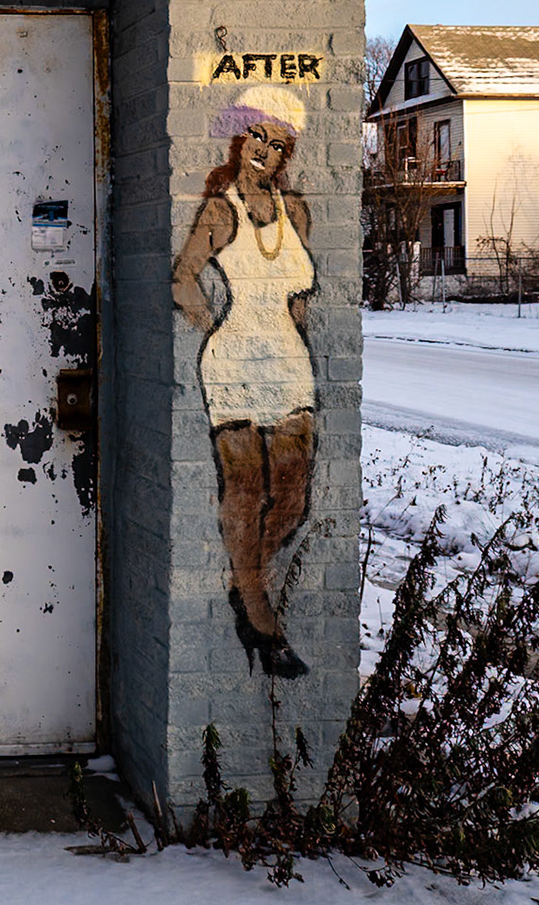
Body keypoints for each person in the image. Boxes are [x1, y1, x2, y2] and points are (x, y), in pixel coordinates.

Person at [172, 85, 317, 679]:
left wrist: (291, 325)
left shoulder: (296, 211)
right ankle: (262, 621)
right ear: (239, 141)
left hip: (287, 364)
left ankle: (242, 580)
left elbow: (301, 287)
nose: (265, 150)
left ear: (287, 157)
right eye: (256, 135)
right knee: (244, 493)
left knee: (292, 499)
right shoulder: (219, 210)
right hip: (231, 368)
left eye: (278, 143)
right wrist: (216, 327)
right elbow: (184, 279)